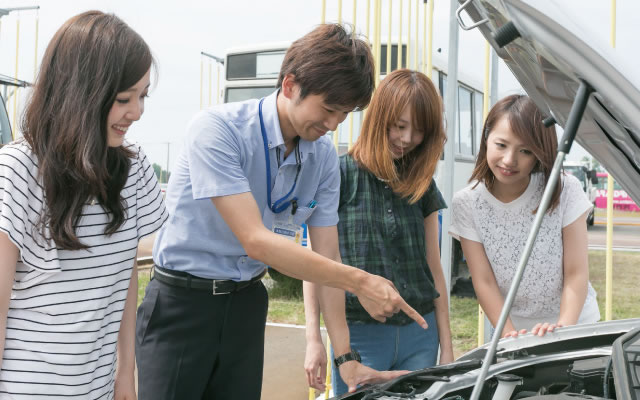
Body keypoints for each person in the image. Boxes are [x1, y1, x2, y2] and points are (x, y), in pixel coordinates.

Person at [136, 24, 427, 400]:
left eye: (343, 114)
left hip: (246, 303)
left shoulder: (322, 158)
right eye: (328, 109)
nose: (333, 124)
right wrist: (361, 281)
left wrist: (345, 357)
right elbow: (256, 241)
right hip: (183, 304)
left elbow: (328, 257)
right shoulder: (217, 131)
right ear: (290, 85)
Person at [0, 11, 167, 399]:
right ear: (83, 92)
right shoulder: (18, 169)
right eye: (124, 98)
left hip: (96, 389)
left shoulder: (133, 168)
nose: (137, 112)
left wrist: (126, 374)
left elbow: (124, 279)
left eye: (142, 96)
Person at [303, 69, 454, 396]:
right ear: (379, 117)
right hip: (358, 337)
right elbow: (316, 265)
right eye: (400, 126)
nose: (407, 138)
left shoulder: (422, 184)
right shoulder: (339, 174)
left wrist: (448, 346)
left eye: (418, 131)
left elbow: (434, 267)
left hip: (421, 334)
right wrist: (313, 339)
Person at [449, 94, 600, 338]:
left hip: (574, 324)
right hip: (512, 331)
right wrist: (510, 336)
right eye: (501, 145)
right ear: (486, 139)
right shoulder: (467, 202)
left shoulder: (564, 189)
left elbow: (576, 272)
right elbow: (484, 281)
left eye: (525, 150)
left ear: (540, 153)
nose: (509, 160)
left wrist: (562, 329)